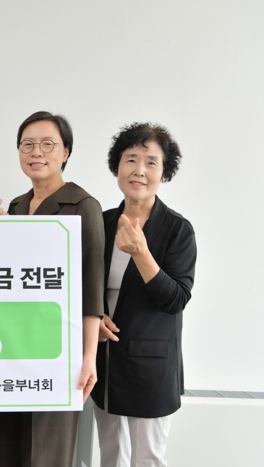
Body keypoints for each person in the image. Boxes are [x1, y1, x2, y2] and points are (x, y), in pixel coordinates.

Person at [0, 111, 104, 466]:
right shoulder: (17, 206)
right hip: (9, 348)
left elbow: (91, 287)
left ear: (65, 152)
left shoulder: (83, 205)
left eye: (47, 144)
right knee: (4, 449)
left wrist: (88, 358)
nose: (36, 152)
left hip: (58, 351)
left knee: (46, 454)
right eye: (27, 144)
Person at [91, 123, 196, 467]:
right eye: (131, 159)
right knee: (109, 456)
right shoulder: (102, 222)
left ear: (164, 173)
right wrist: (94, 317)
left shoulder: (177, 229)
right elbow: (84, 284)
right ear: (117, 167)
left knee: (148, 458)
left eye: (151, 162)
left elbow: (176, 299)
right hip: (105, 361)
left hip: (151, 368)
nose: (139, 170)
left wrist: (141, 252)